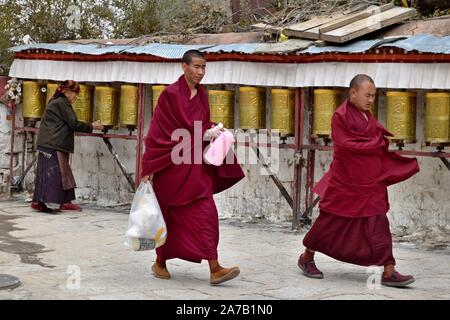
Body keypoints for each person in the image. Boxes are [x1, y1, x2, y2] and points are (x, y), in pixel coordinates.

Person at [298, 74, 420, 287]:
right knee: (330, 222)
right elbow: (345, 145)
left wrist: (378, 144)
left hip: (370, 182)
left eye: (373, 96)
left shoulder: (366, 115)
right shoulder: (341, 116)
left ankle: (389, 269)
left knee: (379, 222)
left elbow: (374, 138)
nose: (371, 100)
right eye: (367, 95)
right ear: (353, 93)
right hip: (345, 181)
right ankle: (307, 257)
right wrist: (375, 144)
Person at [141, 50, 245, 285]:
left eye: (204, 67)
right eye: (196, 66)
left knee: (207, 215)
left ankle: (215, 267)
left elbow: (200, 123)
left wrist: (215, 131)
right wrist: (150, 167)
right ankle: (160, 262)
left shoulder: (202, 95)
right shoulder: (170, 95)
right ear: (184, 67)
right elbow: (161, 133)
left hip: (195, 169)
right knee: (169, 218)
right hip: (171, 167)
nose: (200, 72)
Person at [31, 80, 104, 213]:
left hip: (50, 143)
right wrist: (92, 126)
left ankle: (55, 201)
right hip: (53, 144)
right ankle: (47, 202)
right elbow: (73, 124)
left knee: (61, 173)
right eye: (74, 93)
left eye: (77, 94)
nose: (75, 97)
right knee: (56, 174)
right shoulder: (61, 103)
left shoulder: (59, 102)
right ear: (65, 92)